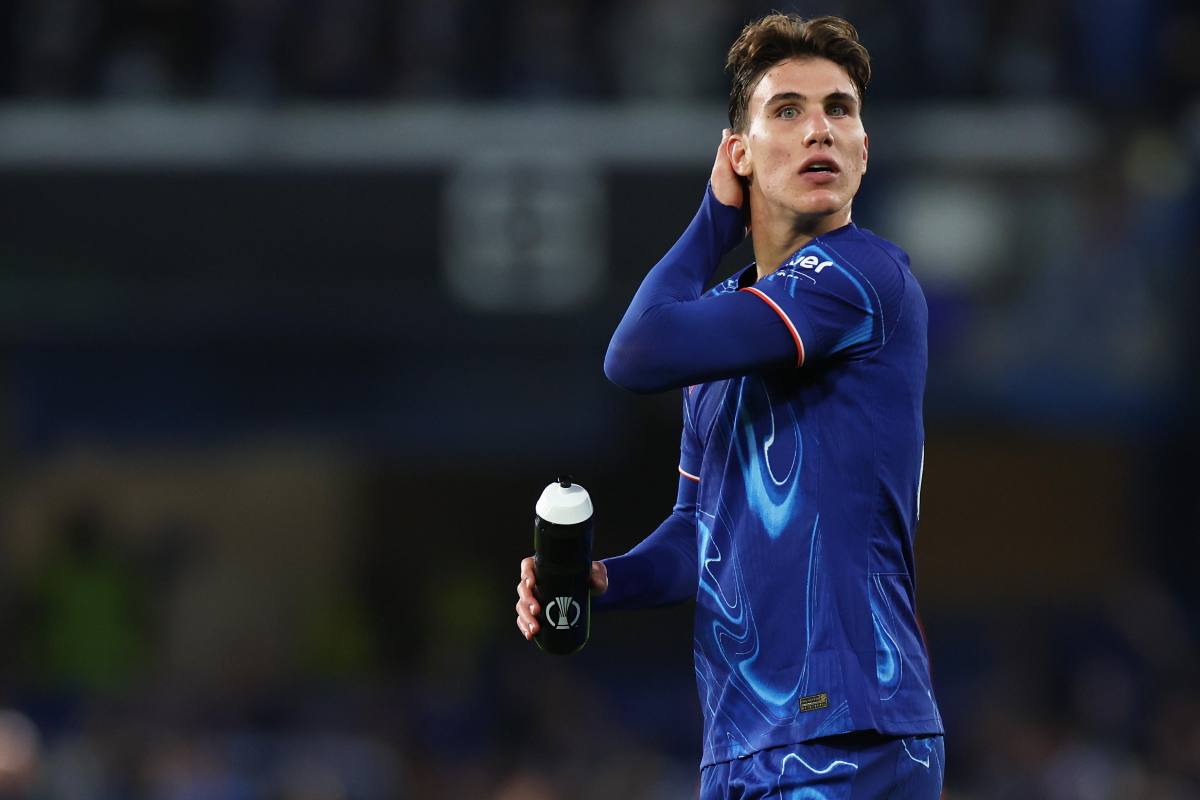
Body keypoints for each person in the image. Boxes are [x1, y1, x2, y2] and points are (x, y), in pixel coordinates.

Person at [516, 13, 944, 798]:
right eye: (788, 110)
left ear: (863, 150)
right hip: (743, 741)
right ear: (738, 152)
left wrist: (714, 218)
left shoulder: (861, 277)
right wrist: (608, 579)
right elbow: (698, 533)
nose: (819, 128)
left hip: (849, 730)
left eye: (840, 110)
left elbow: (632, 353)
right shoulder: (724, 323)